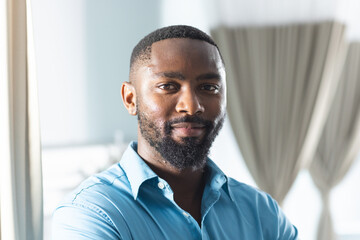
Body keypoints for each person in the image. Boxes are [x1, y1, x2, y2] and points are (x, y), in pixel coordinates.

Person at [52, 25, 298, 239]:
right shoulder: (91, 213)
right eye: (168, 86)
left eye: (209, 87)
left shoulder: (260, 211)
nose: (191, 106)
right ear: (130, 99)